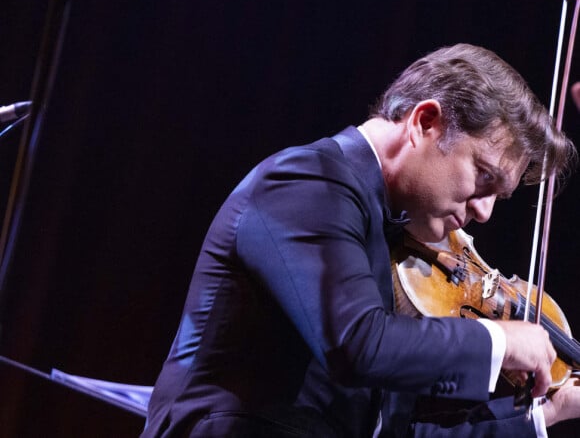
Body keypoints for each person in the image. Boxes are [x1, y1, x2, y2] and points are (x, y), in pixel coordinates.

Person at [142, 44, 579, 437]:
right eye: (483, 176)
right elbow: (357, 346)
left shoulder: (389, 236)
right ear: (425, 121)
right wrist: (500, 341)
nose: (484, 212)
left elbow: (384, 428)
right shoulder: (307, 183)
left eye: (498, 195)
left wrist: (545, 414)